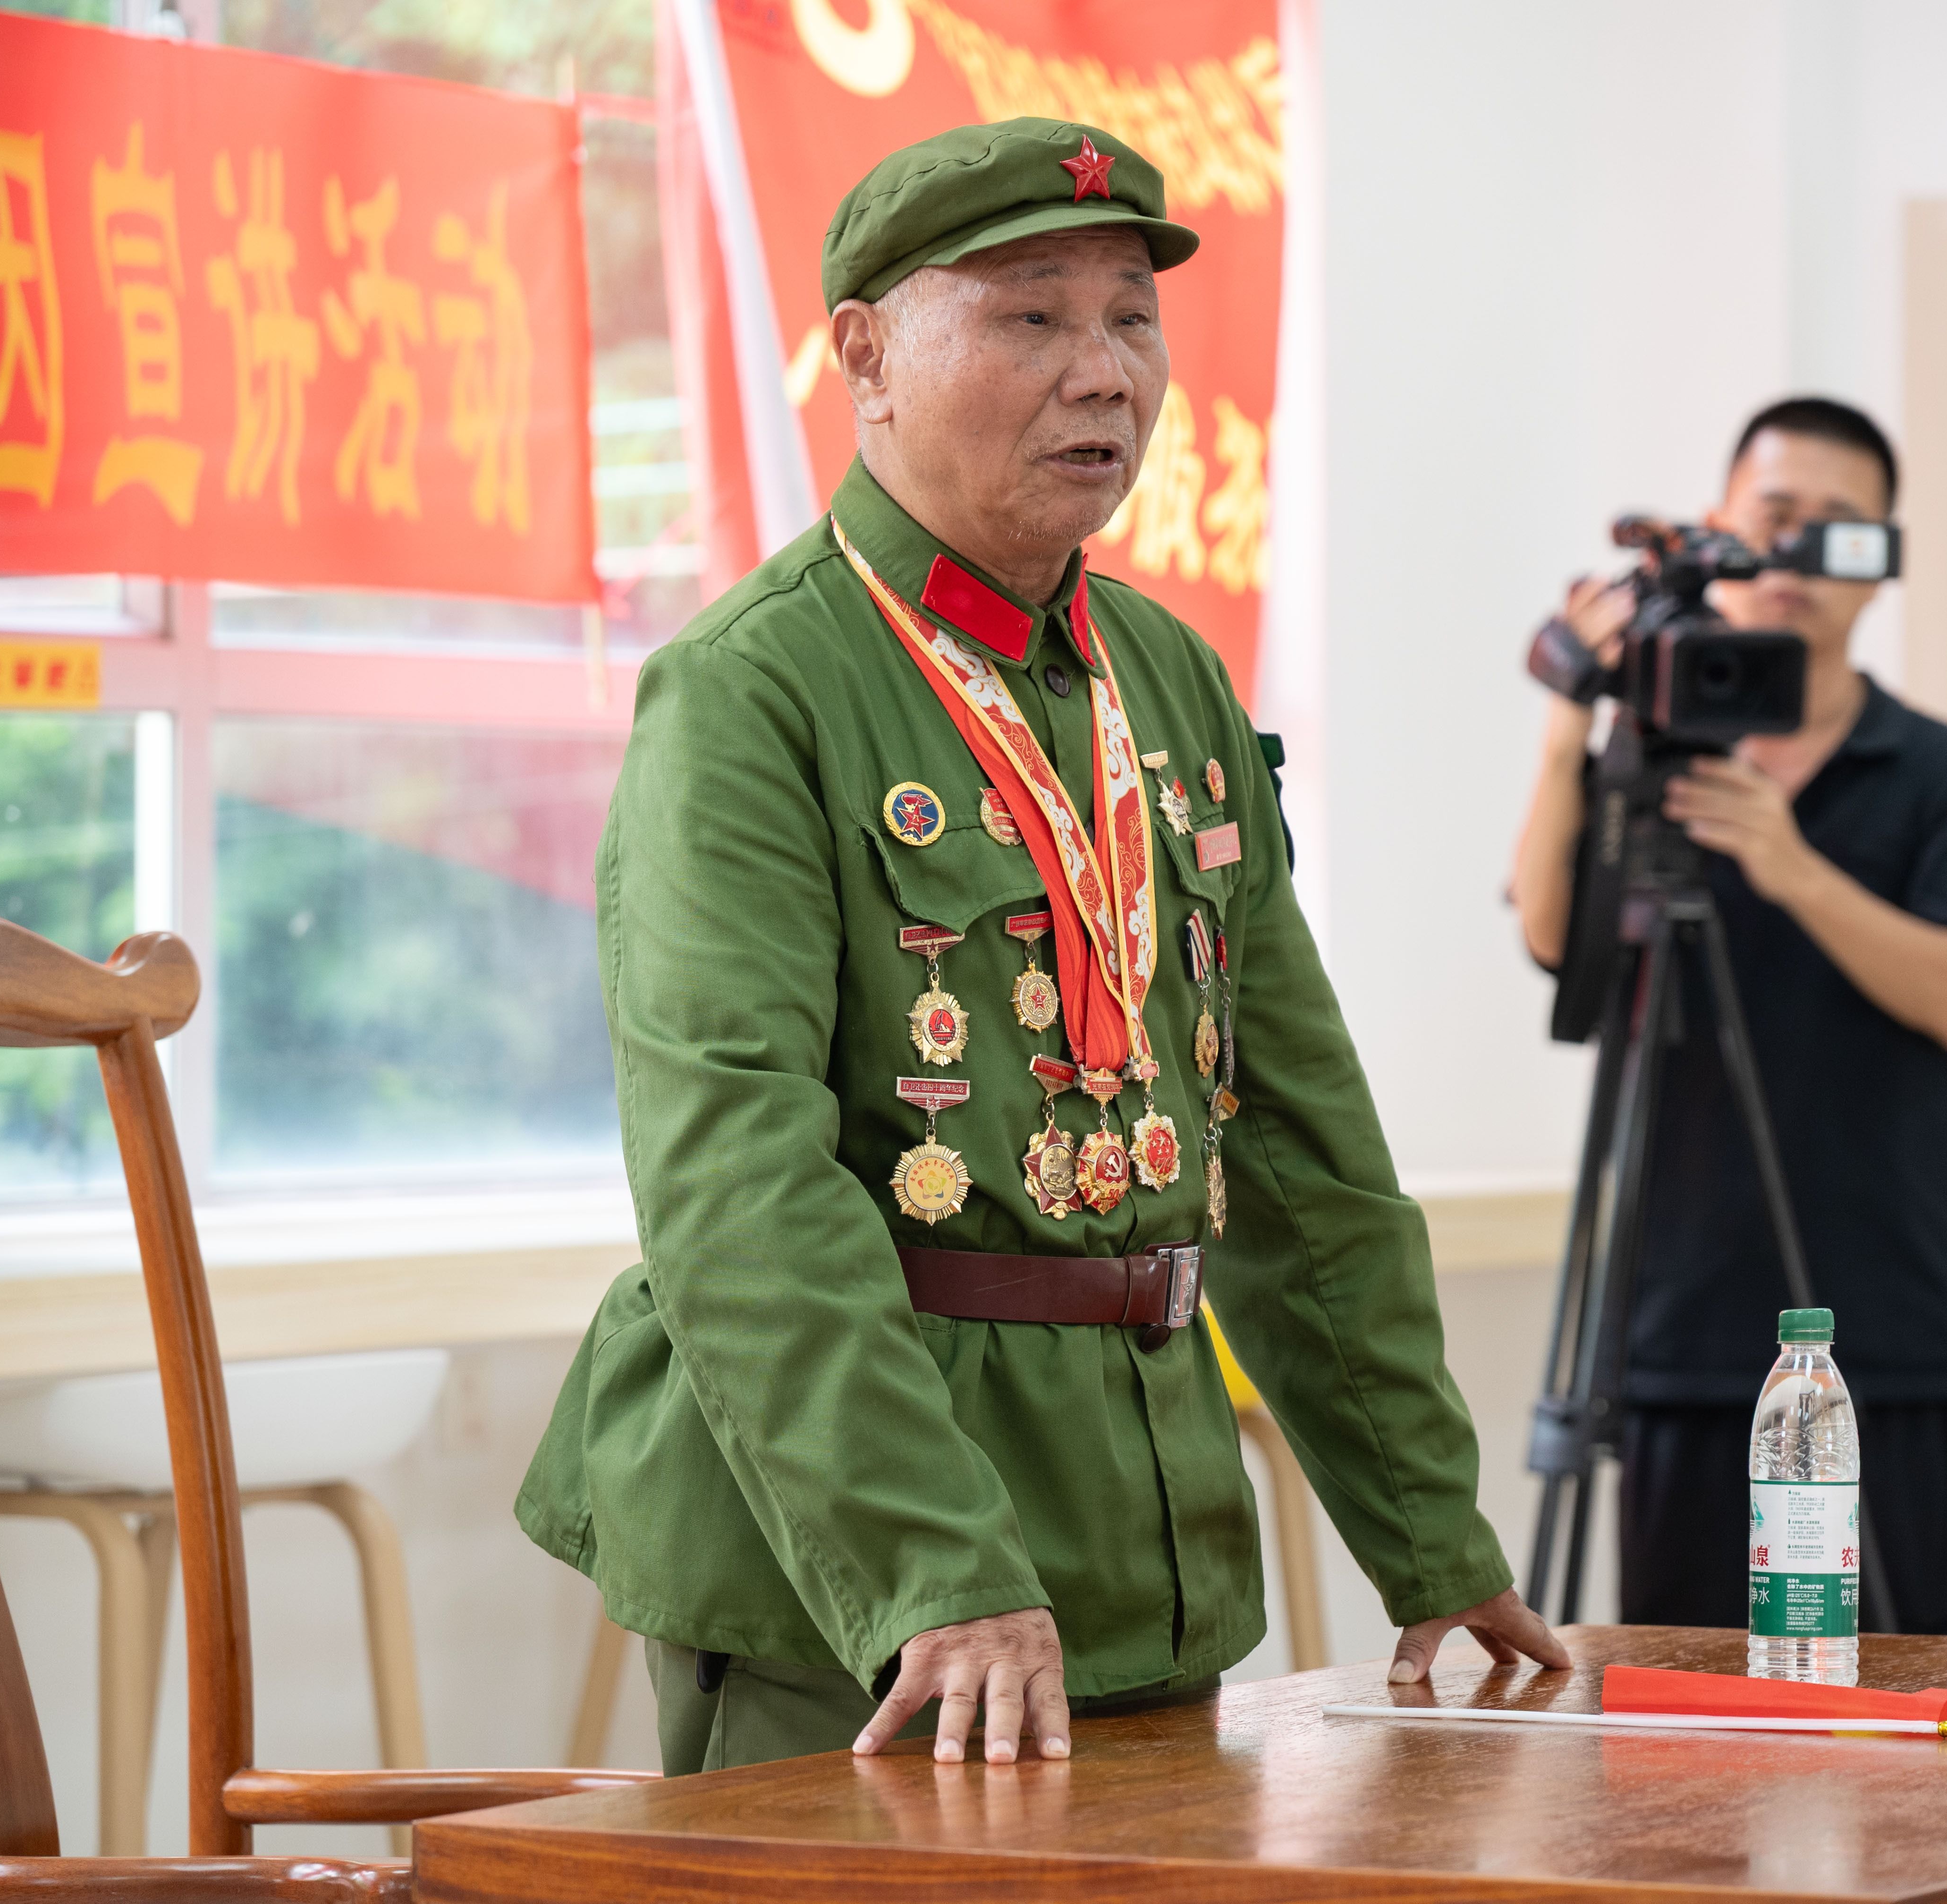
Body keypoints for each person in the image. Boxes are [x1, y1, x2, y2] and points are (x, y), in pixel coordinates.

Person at [518, 118, 1564, 1776]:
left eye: (1133, 319)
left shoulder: (1171, 679)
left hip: (1149, 1537)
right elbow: (736, 1180)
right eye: (1031, 317)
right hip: (861, 1588)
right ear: (864, 356)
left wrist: (1431, 1532)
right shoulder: (753, 692)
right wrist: (934, 1572)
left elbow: (1292, 1142)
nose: (1105, 374)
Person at [1508, 397, 1947, 1636]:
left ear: (1880, 564)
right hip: (1682, 1338)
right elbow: (1554, 939)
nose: (1795, 556)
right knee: (1684, 1720)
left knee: (1926, 1704)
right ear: (1718, 530)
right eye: (1774, 518)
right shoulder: (1647, 763)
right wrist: (1570, 725)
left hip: (1897, 1340)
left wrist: (1791, 866)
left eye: (1835, 530)